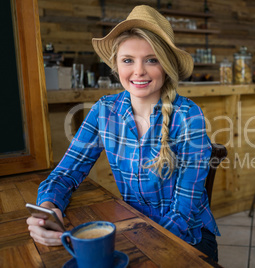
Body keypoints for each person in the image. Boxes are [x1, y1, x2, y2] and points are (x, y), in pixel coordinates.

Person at [26, 5, 219, 262]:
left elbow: (185, 209)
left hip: (187, 238)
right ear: (116, 65)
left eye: (152, 59)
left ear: (166, 66)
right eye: (128, 60)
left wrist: (141, 246)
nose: (138, 71)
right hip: (134, 229)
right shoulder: (104, 110)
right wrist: (48, 209)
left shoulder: (188, 115)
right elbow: (66, 172)